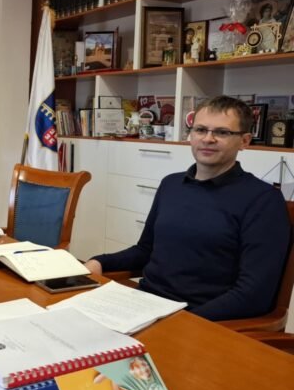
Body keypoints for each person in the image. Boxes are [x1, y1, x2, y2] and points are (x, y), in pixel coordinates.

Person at [84, 95, 290, 321]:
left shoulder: (263, 200)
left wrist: (182, 323)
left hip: (203, 322)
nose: (208, 139)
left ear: (245, 141)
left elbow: (254, 295)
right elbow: (146, 250)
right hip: (144, 307)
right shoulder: (171, 184)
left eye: (222, 132)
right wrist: (100, 261)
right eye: (200, 130)